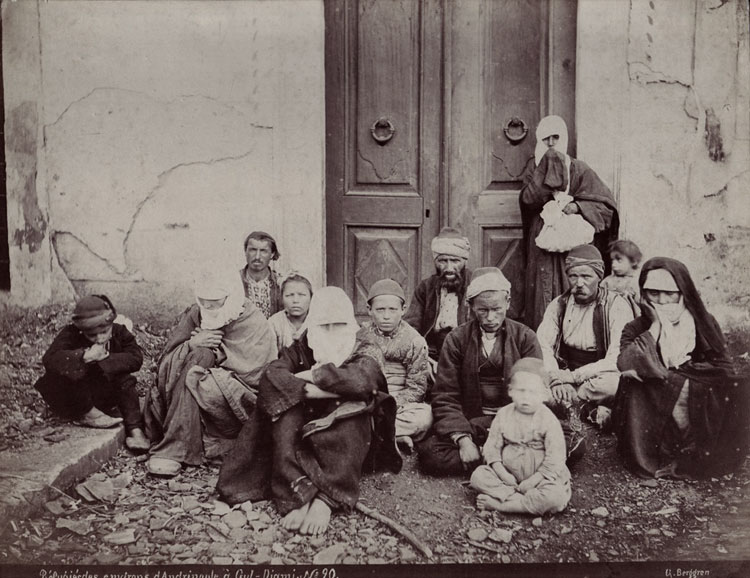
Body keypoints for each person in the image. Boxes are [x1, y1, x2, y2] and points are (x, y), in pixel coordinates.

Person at [217, 287, 402, 536]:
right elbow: (272, 374)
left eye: (338, 325)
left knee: (351, 415)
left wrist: (315, 378)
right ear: (313, 323)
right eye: (323, 325)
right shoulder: (305, 343)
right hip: (310, 418)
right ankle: (297, 492)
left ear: (349, 323)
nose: (330, 333)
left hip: (351, 429)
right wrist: (310, 392)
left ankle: (328, 498)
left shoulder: (365, 345)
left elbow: (362, 382)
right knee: (284, 413)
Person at [613, 257, 749, 479]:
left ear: (683, 292)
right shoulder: (636, 327)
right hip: (651, 412)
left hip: (696, 409)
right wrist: (655, 326)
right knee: (634, 385)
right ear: (643, 294)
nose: (662, 300)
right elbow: (626, 363)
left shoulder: (703, 323)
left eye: (670, 293)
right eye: (653, 293)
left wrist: (677, 377)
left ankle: (695, 452)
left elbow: (725, 370)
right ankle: (652, 455)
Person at [144, 273, 277, 477]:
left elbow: (256, 371)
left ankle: (180, 445)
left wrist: (218, 355)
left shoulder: (251, 319)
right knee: (198, 358)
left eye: (216, 303)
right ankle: (178, 445)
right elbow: (167, 359)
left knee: (198, 372)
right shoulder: (196, 315)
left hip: (238, 394)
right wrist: (191, 344)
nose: (210, 310)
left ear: (230, 297)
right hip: (192, 384)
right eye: (204, 304)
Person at [416, 268, 543, 476]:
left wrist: (512, 429)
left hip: (516, 419)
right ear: (471, 306)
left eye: (497, 309)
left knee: (571, 443)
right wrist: (464, 441)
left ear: (508, 303)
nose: (491, 317)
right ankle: (506, 461)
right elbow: (445, 395)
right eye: (483, 310)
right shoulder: (457, 339)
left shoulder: (525, 337)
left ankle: (487, 459)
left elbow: (536, 392)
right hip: (473, 422)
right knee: (431, 455)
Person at [520, 115, 619, 330]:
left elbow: (606, 207)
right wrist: (547, 170)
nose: (552, 143)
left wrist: (577, 207)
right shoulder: (533, 170)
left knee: (575, 287)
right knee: (542, 296)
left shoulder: (579, 169)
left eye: (556, 137)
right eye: (546, 138)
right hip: (543, 242)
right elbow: (528, 201)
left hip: (572, 244)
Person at [536, 245, 634, 457]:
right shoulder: (558, 305)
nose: (579, 283)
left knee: (615, 384)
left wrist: (573, 377)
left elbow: (616, 357)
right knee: (532, 382)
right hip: (563, 372)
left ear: (599, 276)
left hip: (597, 375)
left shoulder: (616, 306)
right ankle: (586, 409)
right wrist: (557, 378)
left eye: (586, 276)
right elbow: (543, 344)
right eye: (573, 276)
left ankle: (569, 404)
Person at [34, 295, 149, 451]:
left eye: (104, 332)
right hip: (76, 398)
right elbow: (50, 358)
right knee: (69, 371)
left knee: (125, 380)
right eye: (91, 335)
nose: (99, 339)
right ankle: (87, 414)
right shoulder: (71, 334)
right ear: (82, 331)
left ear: (111, 324)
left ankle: (135, 430)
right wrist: (84, 356)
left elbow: (136, 358)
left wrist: (106, 359)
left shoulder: (119, 332)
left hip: (105, 393)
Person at [470, 358, 571, 516]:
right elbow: (492, 448)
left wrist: (534, 480)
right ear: (510, 391)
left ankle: (501, 505)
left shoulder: (548, 419)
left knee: (555, 496)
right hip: (509, 478)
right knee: (478, 476)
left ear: (544, 395)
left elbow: (556, 457)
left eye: (533, 392)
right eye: (520, 390)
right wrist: (503, 474)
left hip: (540, 479)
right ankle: (521, 500)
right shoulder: (503, 414)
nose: (526, 397)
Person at [358, 278, 432, 452]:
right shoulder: (360, 337)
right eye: (380, 309)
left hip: (400, 404)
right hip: (369, 400)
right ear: (369, 310)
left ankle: (377, 436)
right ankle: (394, 437)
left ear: (403, 310)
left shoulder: (415, 341)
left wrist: (390, 405)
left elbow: (417, 388)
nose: (386, 316)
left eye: (392, 309)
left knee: (425, 417)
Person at [404, 227, 473, 370]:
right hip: (433, 351)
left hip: (468, 351)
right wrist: (422, 356)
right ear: (435, 262)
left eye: (455, 261)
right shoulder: (426, 287)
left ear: (465, 261)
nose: (449, 267)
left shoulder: (475, 284)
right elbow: (411, 326)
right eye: (443, 261)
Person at [240, 231, 283, 319]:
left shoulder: (281, 283)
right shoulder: (234, 281)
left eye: (263, 251)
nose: (257, 257)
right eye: (253, 250)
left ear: (272, 254)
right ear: (245, 251)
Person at [268, 273, 313, 353]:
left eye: (302, 295)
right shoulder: (274, 323)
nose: (295, 300)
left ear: (311, 297)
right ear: (281, 298)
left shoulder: (317, 321)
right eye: (289, 295)